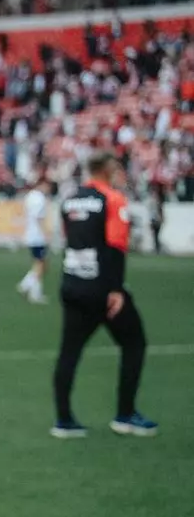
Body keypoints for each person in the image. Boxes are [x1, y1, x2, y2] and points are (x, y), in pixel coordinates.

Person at [51, 151, 157, 440]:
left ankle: (63, 420)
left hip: (72, 283)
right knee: (135, 343)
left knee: (69, 352)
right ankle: (125, 414)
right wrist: (116, 289)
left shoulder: (70, 200)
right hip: (100, 288)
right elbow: (116, 247)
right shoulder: (113, 199)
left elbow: (71, 239)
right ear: (108, 169)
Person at [16, 178, 52, 304]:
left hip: (31, 234)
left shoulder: (30, 196)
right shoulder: (39, 198)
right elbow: (39, 217)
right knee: (41, 265)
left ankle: (32, 290)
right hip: (38, 236)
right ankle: (27, 287)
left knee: (40, 264)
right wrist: (45, 233)